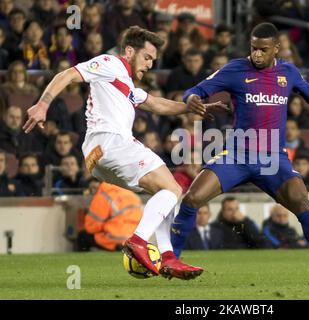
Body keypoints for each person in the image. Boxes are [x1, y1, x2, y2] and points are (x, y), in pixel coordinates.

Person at [23, 26, 224, 280]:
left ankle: (168, 257)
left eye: (153, 61)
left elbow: (156, 104)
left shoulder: (127, 85)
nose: (150, 65)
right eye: (147, 57)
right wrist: (43, 104)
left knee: (165, 193)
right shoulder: (109, 63)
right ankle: (140, 240)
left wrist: (193, 108)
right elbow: (67, 75)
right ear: (129, 51)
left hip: (96, 158)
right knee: (173, 190)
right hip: (112, 142)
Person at [170, 23, 309, 283]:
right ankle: (171, 261)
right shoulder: (235, 68)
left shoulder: (288, 72)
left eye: (263, 49)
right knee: (191, 199)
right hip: (237, 154)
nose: (256, 54)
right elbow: (198, 89)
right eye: (253, 48)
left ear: (276, 49)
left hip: (272, 158)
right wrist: (190, 98)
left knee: (301, 201)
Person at [77, 182, 143, 252]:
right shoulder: (132, 195)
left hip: (115, 239)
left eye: (92, 188)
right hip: (134, 240)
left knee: (83, 236)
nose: (92, 191)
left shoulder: (103, 196)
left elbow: (91, 227)